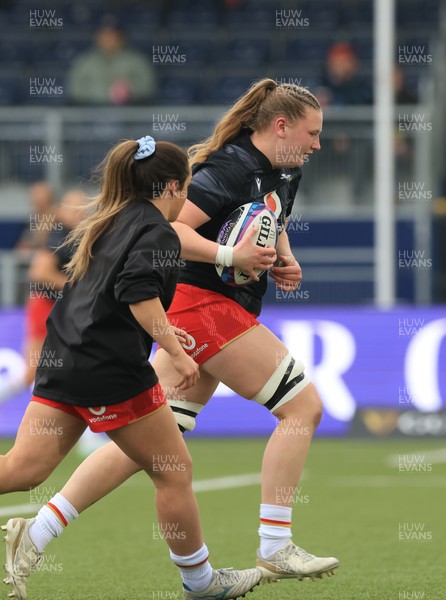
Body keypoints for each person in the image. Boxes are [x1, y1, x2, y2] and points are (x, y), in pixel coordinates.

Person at [5, 79, 339, 586]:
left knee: (151, 445)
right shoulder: (228, 167)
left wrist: (282, 258)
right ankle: (274, 545)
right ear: (280, 125)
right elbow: (175, 231)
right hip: (201, 308)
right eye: (312, 132)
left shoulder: (280, 171)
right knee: (301, 407)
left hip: (152, 328)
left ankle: (39, 532)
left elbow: (266, 216)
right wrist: (231, 259)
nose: (317, 143)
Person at [0, 136, 263, 600]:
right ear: (173, 188)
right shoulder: (158, 231)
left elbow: (113, 299)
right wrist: (179, 356)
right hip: (110, 371)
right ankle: (202, 584)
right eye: (187, 188)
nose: (189, 198)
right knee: (174, 470)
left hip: (67, 359)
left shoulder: (110, 219)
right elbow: (137, 293)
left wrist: (165, 335)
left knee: (22, 469)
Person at [0, 190, 87, 406]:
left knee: (73, 366)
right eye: (76, 209)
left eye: (84, 208)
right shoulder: (59, 236)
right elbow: (39, 272)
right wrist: (78, 287)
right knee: (33, 372)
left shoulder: (71, 235)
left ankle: (87, 433)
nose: (81, 214)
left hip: (60, 308)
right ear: (63, 210)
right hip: (45, 305)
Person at [67, 21, 157, 105]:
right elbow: (74, 89)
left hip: (130, 112)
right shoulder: (84, 61)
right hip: (92, 112)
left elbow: (148, 87)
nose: (108, 39)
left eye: (112, 35)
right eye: (104, 35)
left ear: (121, 37)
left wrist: (130, 91)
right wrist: (103, 94)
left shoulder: (137, 60)